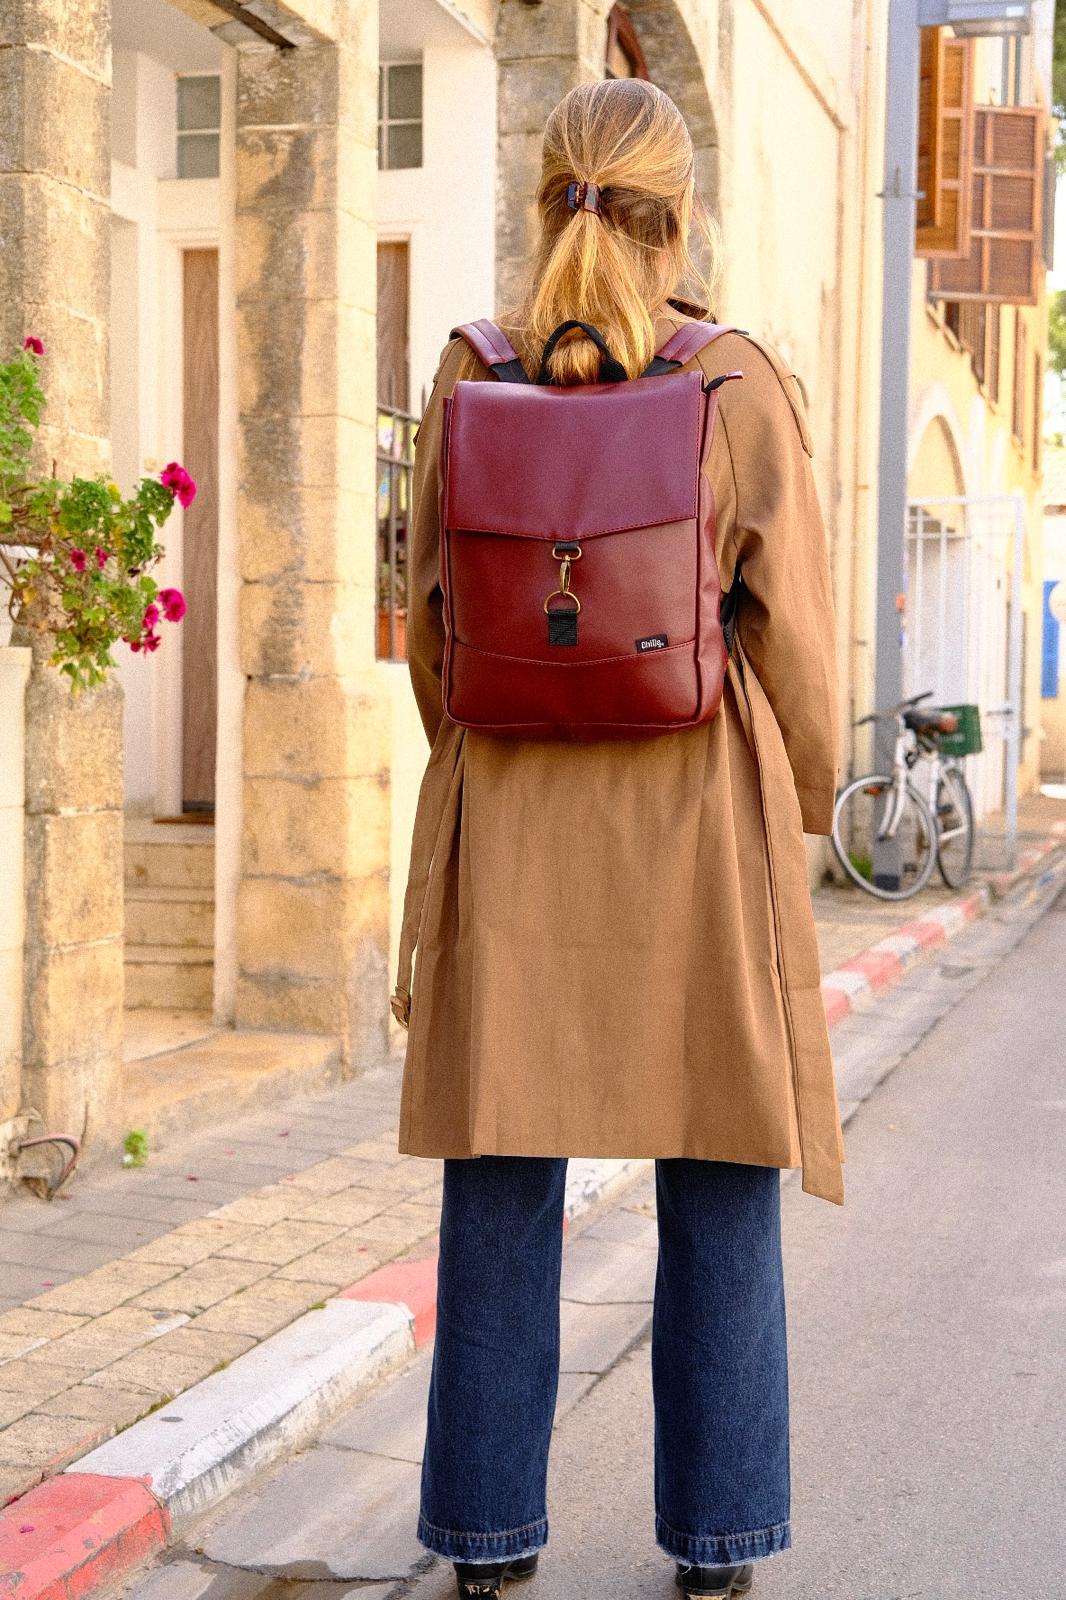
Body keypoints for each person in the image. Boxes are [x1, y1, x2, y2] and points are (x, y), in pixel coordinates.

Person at [391, 77, 843, 1600]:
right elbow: (799, 656)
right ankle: (715, 1546)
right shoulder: (733, 381)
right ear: (681, 212)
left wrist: (493, 755)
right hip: (691, 819)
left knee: (499, 1176)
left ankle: (483, 1543)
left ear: (542, 201)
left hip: (512, 815)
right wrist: (800, 805)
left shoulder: (471, 371)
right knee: (717, 1168)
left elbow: (429, 634)